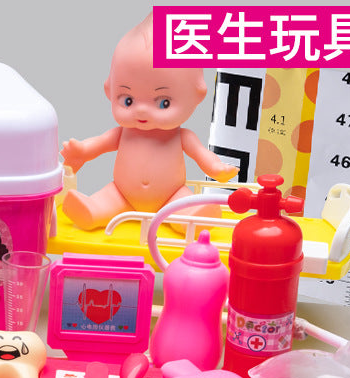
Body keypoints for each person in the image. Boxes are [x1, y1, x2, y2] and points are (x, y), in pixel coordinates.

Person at [60, 13, 238, 231]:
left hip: (171, 195)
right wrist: (81, 150)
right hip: (121, 193)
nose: (142, 111)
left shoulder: (181, 136)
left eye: (164, 103)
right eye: (128, 100)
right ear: (109, 89)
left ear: (197, 94)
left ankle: (192, 217)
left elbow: (202, 155)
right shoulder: (122, 133)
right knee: (106, 200)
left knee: (182, 206)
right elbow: (97, 144)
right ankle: (91, 210)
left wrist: (217, 168)